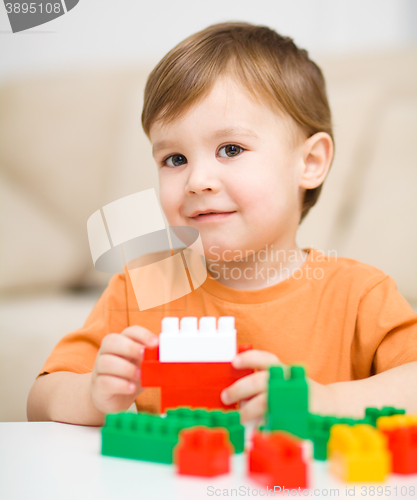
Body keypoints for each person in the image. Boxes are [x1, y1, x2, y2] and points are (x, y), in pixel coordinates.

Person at [27, 21, 417, 426]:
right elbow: (41, 398)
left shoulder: (358, 295)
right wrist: (92, 393)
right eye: (174, 159)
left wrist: (327, 401)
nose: (197, 181)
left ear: (310, 162)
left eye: (230, 149)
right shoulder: (144, 286)